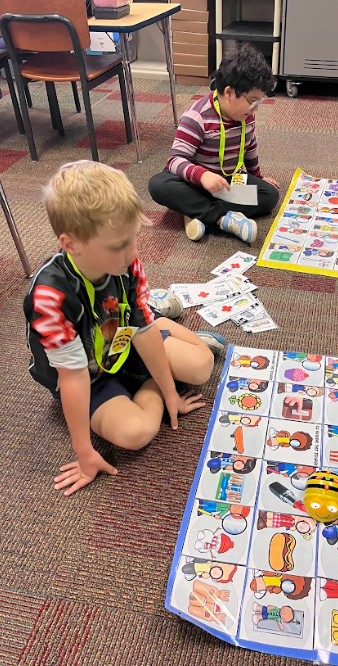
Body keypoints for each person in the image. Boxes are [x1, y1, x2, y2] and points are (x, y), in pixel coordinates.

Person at [23, 161, 226, 497]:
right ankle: (161, 331)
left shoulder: (126, 261)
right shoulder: (50, 296)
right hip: (86, 376)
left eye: (133, 239)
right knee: (136, 434)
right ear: (71, 243)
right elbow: (73, 379)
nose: (133, 253)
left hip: (121, 340)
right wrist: (85, 454)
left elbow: (142, 331)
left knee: (202, 366)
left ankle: (161, 318)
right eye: (119, 245)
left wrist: (172, 394)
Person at [148, 43, 280, 243]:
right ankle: (221, 218)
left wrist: (258, 176)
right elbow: (175, 161)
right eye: (252, 101)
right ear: (229, 92)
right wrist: (203, 176)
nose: (256, 109)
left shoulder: (246, 116)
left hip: (226, 183)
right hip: (194, 183)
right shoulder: (197, 116)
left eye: (259, 102)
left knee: (269, 195)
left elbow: (250, 147)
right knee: (158, 184)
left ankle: (196, 211)